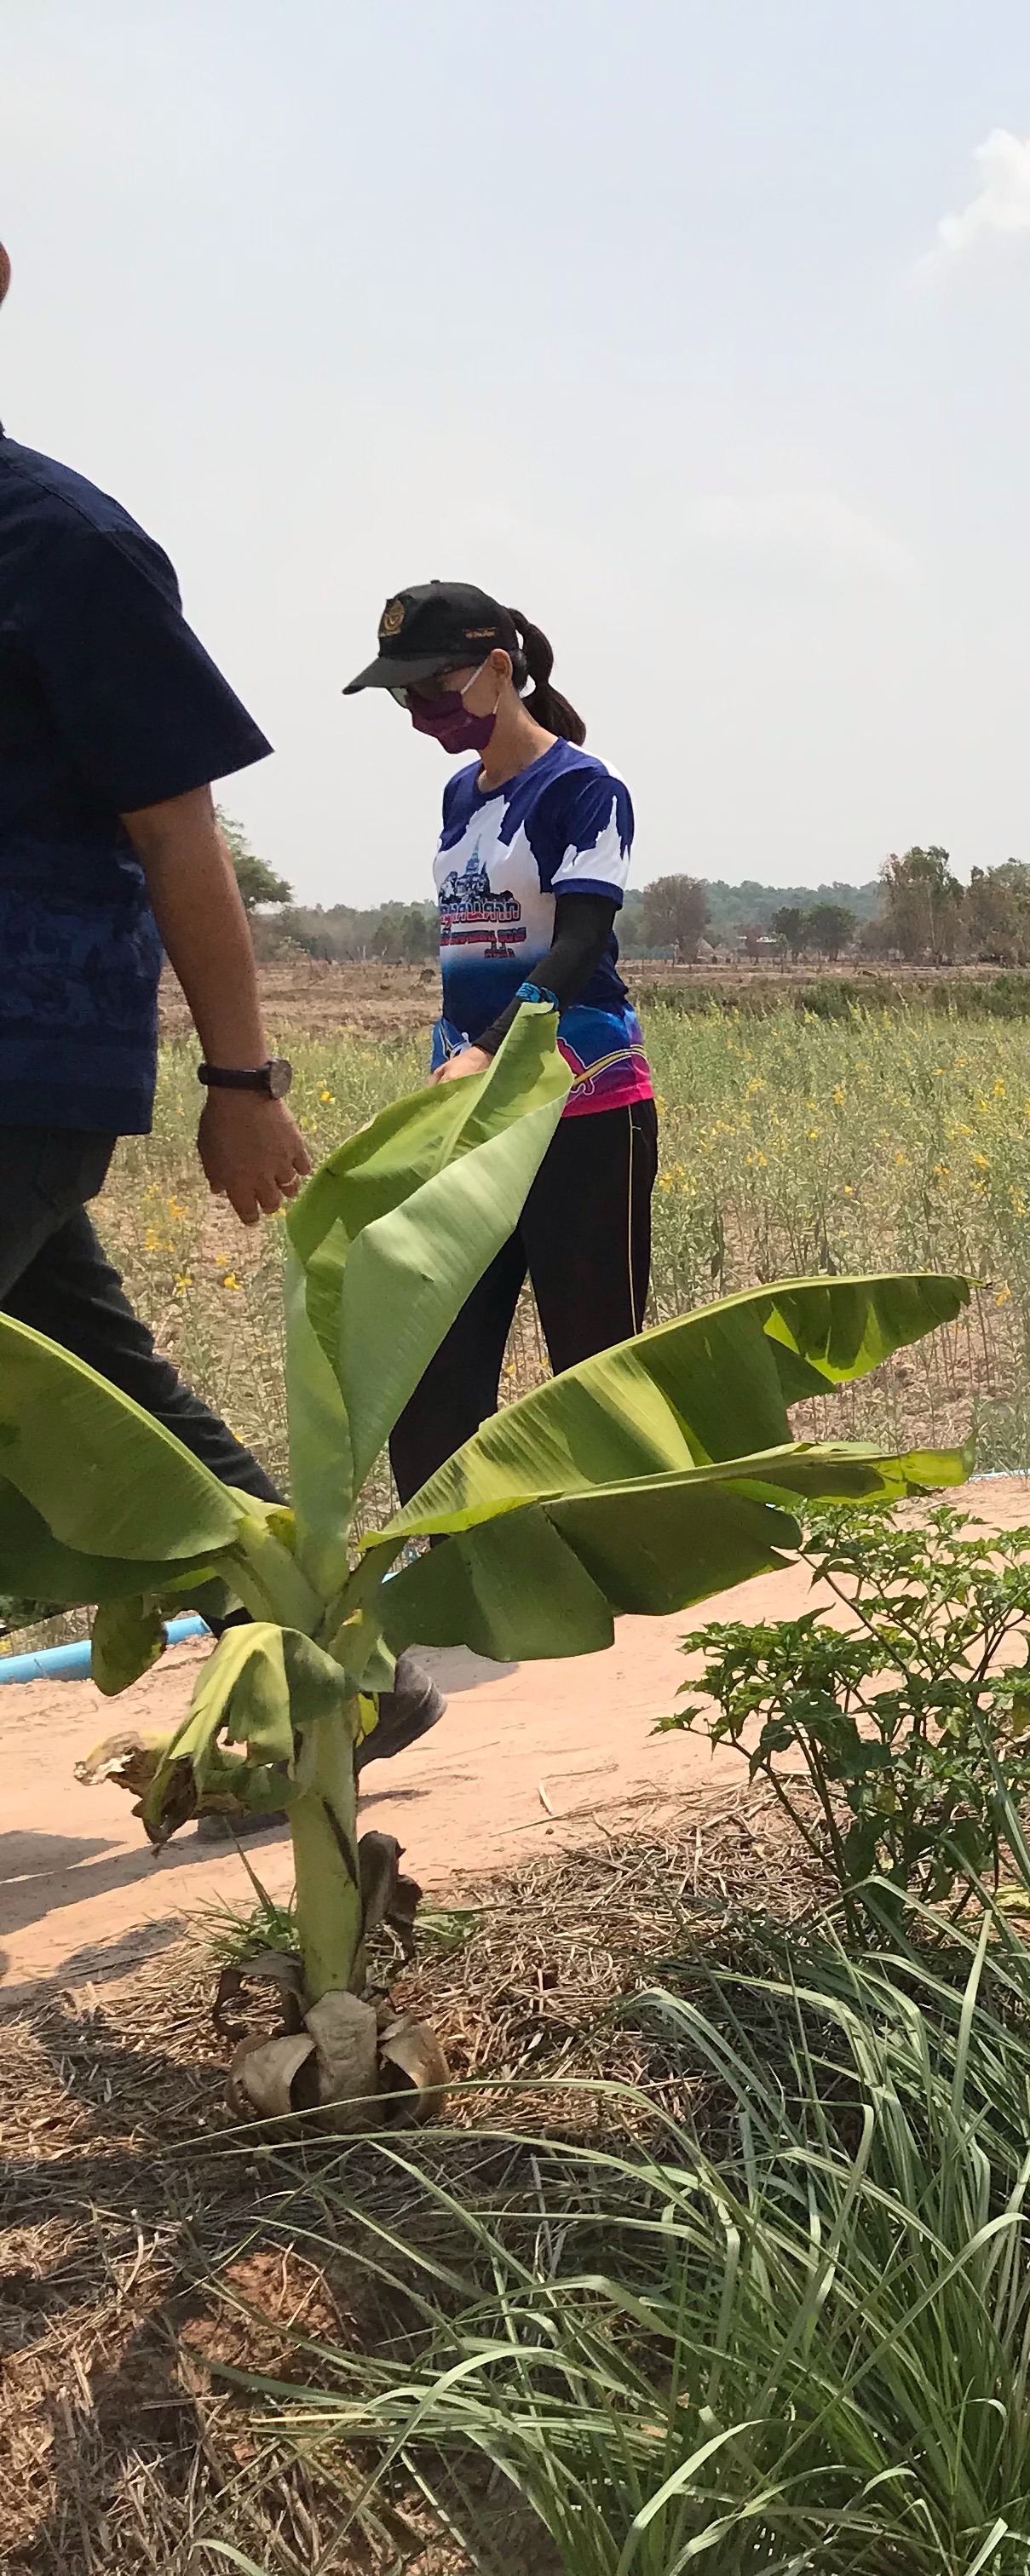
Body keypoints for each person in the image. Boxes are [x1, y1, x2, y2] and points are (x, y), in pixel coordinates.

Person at [2, 239, 442, 1766]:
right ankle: (351, 1676)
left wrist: (242, 1079)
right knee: (117, 1403)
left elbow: (177, 829)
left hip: (24, 1060)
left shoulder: (61, 545)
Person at [344, 583, 658, 1499]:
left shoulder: (584, 789)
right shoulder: (460, 795)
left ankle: (609, 1553)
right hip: (470, 1116)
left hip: (582, 1108)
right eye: (404, 697)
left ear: (495, 669)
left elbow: (581, 942)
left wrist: (488, 1045)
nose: (421, 713)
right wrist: (456, 1057)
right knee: (432, 1363)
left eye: (434, 689)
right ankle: (448, 1553)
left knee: (593, 1365)